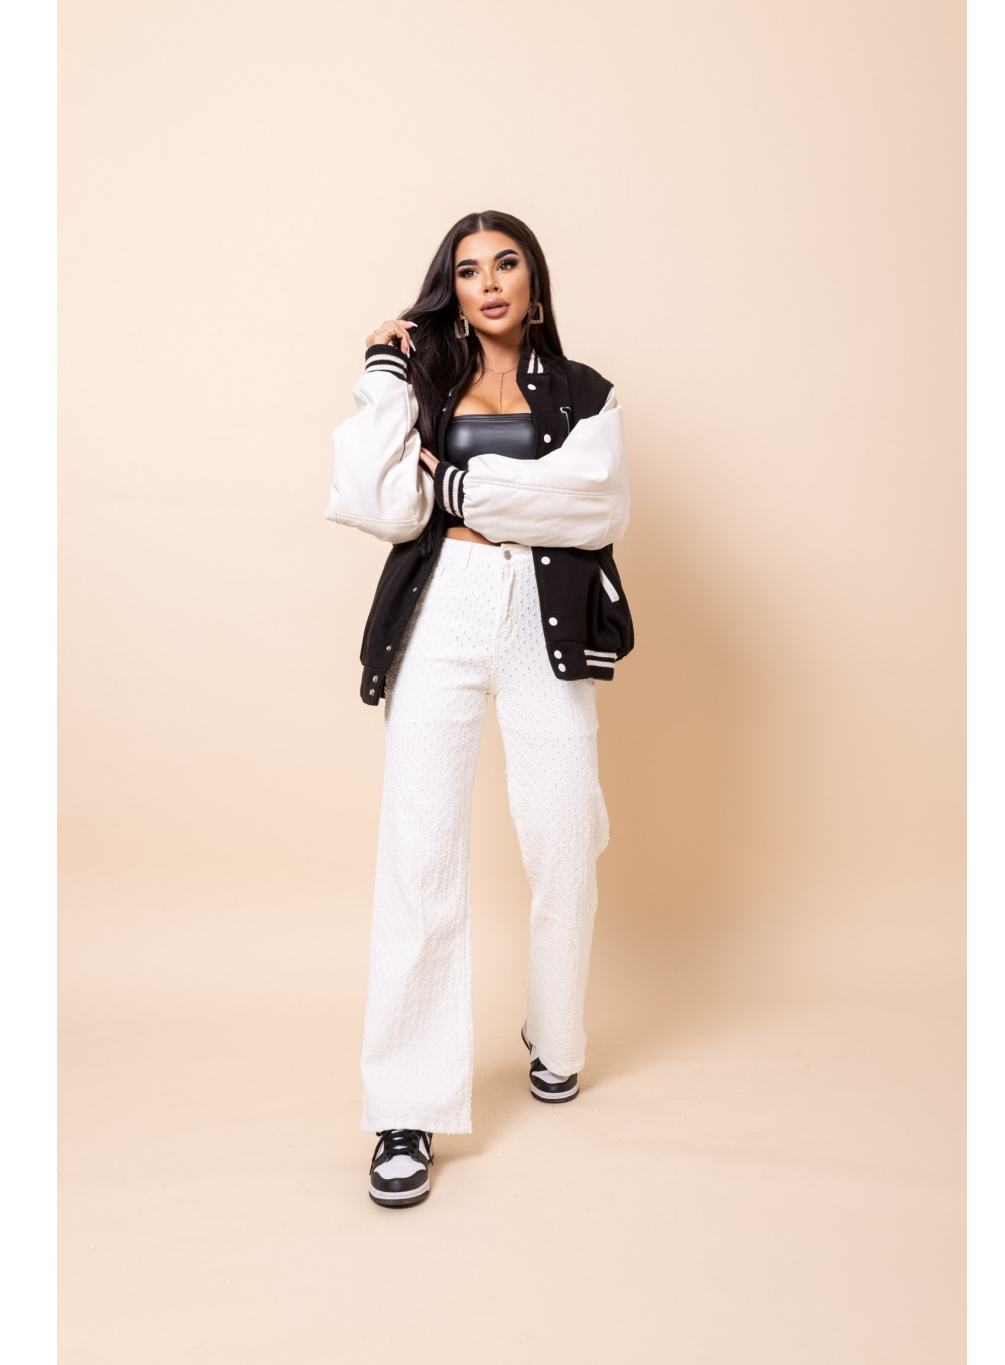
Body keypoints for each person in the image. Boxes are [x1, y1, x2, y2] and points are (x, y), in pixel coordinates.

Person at [327, 211, 633, 1207]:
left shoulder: (585, 391)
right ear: (450, 289)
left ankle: (556, 1033)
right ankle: (403, 1109)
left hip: (544, 617)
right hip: (442, 611)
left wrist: (458, 486)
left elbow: (595, 507)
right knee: (419, 852)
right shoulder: (423, 381)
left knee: (563, 834)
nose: (488, 281)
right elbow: (377, 499)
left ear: (533, 282)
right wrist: (383, 372)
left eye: (506, 263)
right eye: (468, 270)